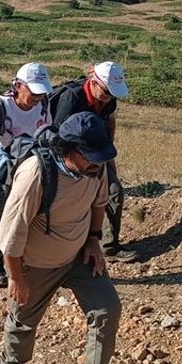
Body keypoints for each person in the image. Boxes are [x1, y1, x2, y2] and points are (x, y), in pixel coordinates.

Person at [0, 112, 135, 364]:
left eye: (100, 158)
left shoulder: (95, 168)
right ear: (69, 149)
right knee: (23, 319)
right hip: (37, 262)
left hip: (78, 254)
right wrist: (15, 277)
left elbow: (99, 203)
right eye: (91, 157)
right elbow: (11, 234)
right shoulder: (36, 173)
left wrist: (94, 241)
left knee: (107, 306)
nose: (97, 164)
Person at [0, 63, 54, 288]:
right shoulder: (0, 107)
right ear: (18, 86)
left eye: (42, 92)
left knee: (30, 217)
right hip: (3, 172)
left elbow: (47, 132)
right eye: (34, 91)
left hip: (34, 170)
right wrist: (14, 154)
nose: (38, 97)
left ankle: (24, 262)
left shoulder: (44, 104)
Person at [49, 61, 134, 262]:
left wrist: (108, 156)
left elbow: (110, 119)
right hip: (68, 158)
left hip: (95, 154)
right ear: (93, 82)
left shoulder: (108, 99)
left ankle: (109, 247)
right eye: (106, 92)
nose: (109, 97)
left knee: (114, 192)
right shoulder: (71, 98)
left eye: (113, 94)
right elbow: (58, 135)